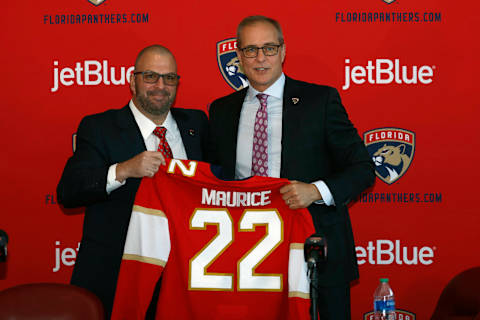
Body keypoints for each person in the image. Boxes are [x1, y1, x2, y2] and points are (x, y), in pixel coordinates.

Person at [207, 16, 375, 320]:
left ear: (283, 51)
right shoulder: (221, 111)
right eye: (251, 50)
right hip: (247, 254)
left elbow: (362, 168)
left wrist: (316, 191)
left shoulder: (320, 101)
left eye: (269, 48)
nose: (260, 58)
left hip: (314, 249)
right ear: (239, 55)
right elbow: (212, 178)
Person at [57, 44, 208, 318]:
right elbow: (69, 191)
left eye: (169, 77)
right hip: (119, 276)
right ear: (132, 80)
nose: (160, 85)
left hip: (186, 278)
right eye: (150, 76)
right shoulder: (100, 127)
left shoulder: (197, 124)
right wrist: (123, 170)